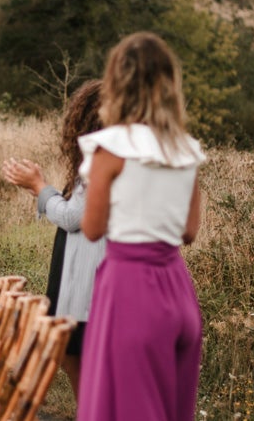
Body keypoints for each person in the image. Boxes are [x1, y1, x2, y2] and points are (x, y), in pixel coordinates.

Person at [76, 32, 205, 421]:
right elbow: (189, 232)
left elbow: (93, 228)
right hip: (178, 291)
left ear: (118, 82)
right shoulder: (184, 150)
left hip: (131, 290)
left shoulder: (112, 148)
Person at [2, 79, 105, 399]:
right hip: (82, 259)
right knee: (70, 350)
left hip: (87, 265)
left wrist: (39, 187)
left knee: (70, 347)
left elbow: (73, 217)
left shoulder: (100, 159)